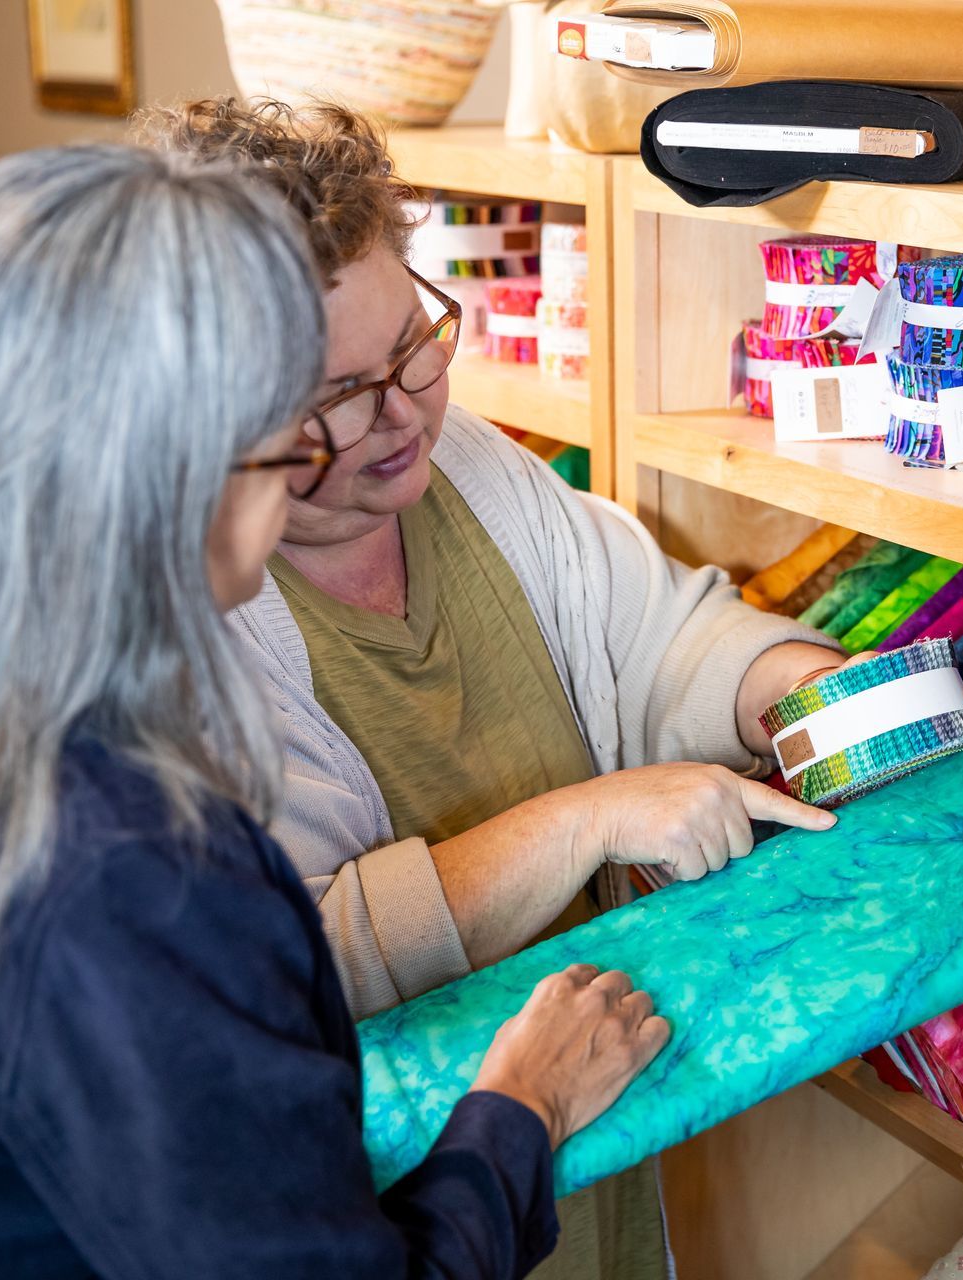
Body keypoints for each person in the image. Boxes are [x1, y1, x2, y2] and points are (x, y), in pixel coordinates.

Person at [0, 143, 666, 1280]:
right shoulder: (140, 873)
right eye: (290, 424)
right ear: (169, 472)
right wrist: (519, 1110)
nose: (307, 460)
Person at [142, 98, 853, 1280]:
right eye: (332, 396)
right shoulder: (174, 630)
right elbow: (292, 963)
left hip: (585, 1152)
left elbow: (659, 638)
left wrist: (799, 690)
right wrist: (588, 817)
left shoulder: (466, 463)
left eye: (414, 345)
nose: (400, 414)